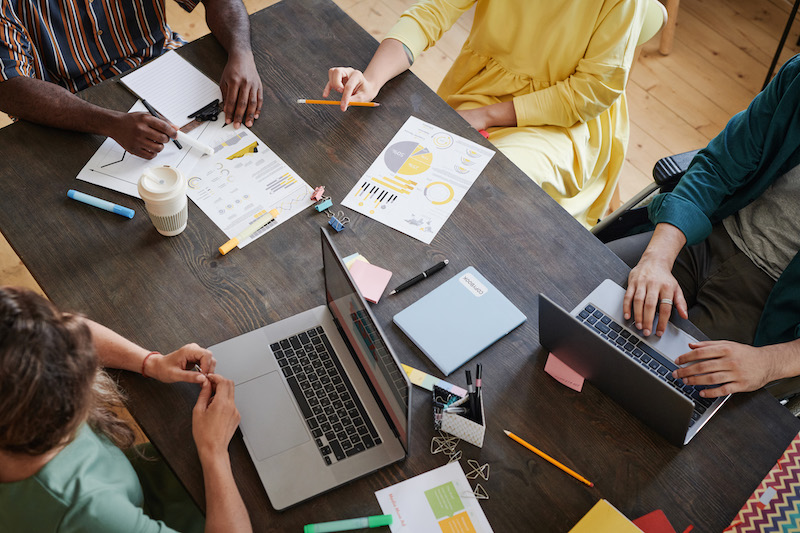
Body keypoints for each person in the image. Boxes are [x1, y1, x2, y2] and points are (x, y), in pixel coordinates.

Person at [323, 0, 647, 228]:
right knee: (406, 173)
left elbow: (590, 92)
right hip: (479, 91)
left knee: (489, 187)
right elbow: (432, 12)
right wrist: (373, 78)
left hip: (562, 119)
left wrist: (488, 115)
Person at [609, 54, 800, 400]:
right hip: (710, 233)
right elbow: (719, 166)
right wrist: (657, 258)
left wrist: (769, 363)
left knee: (653, 393)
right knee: (573, 291)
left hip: (778, 307)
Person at [0, 287, 252, 533]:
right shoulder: (88, 511)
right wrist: (214, 451)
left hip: (133, 480)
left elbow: (57, 334)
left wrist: (151, 363)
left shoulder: (15, 401)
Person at [0, 0, 262, 160]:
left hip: (160, 60)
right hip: (74, 103)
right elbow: (9, 87)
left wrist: (241, 52)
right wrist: (109, 123)